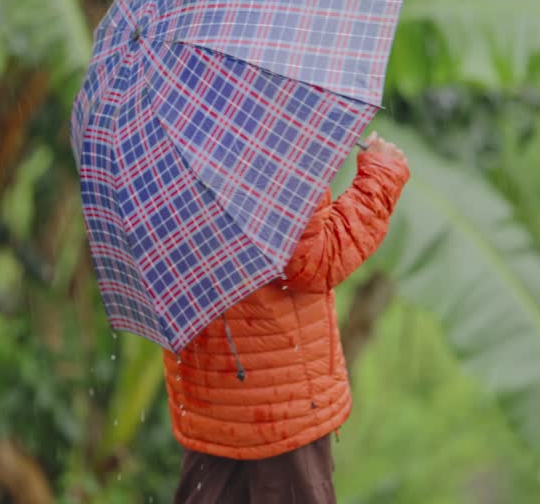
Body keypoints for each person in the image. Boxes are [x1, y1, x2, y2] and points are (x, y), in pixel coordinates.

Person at [165, 132, 410, 503]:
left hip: (206, 402)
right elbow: (314, 262)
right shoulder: (269, 133)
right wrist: (381, 175)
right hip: (281, 408)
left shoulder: (163, 137)